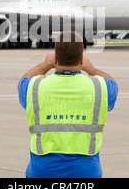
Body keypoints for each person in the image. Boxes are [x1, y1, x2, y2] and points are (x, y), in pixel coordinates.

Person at [18, 31, 118, 178]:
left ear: (55, 58)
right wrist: (90, 69)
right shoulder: (101, 87)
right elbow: (113, 84)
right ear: (82, 58)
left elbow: (23, 81)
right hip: (86, 173)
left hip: (42, 172)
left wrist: (46, 64)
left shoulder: (34, 86)